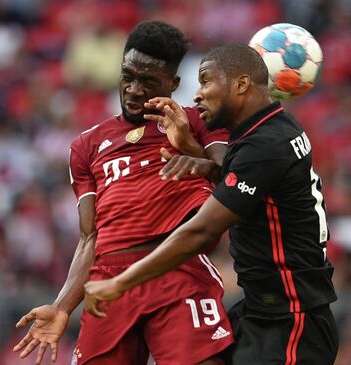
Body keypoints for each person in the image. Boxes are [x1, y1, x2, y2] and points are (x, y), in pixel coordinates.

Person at [84, 44, 339, 365]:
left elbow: (202, 232)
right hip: (262, 311)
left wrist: (121, 281)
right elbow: (242, 181)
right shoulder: (273, 128)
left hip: (291, 323)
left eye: (206, 82)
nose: (197, 95)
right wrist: (192, 148)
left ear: (241, 84)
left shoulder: (264, 145)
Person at [12, 21, 234, 365]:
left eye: (148, 82)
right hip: (109, 282)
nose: (133, 89)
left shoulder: (199, 121)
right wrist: (61, 308)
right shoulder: (86, 146)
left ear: (173, 84)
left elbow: (231, 180)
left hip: (178, 267)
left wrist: (188, 146)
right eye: (127, 76)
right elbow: (90, 238)